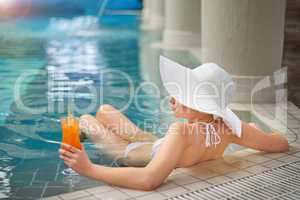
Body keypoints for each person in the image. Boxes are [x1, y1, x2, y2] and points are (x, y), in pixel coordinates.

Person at [59, 56, 289, 191]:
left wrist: (88, 169)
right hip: (156, 144)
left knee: (88, 119)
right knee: (105, 111)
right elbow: (280, 144)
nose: (173, 98)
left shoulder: (180, 131)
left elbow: (149, 179)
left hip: (132, 153)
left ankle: (82, 132)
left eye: (181, 95)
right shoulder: (231, 126)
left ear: (198, 104)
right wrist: (253, 134)